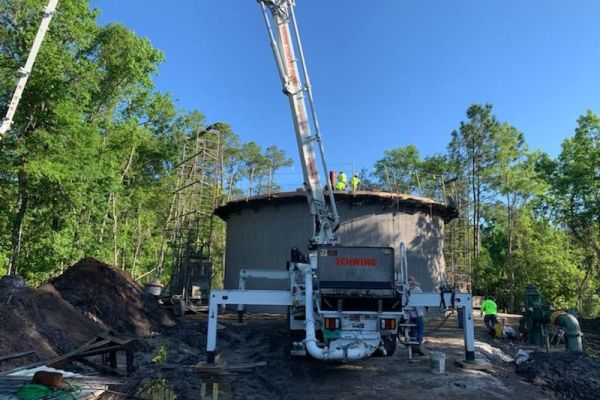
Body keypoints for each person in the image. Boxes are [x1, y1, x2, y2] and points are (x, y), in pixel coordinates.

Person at [408, 276, 425, 355]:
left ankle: (413, 346)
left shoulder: (406, 290)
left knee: (413, 330)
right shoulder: (417, 289)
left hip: (410, 314)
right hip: (417, 314)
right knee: (419, 329)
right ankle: (418, 343)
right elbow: (421, 301)